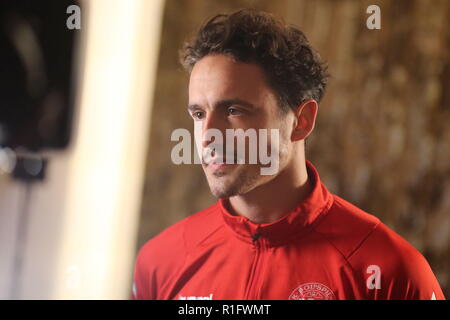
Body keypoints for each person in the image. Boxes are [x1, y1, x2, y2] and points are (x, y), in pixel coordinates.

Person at [131, 9, 445, 300]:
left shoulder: (389, 272)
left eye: (235, 110)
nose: (209, 135)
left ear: (301, 121)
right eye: (199, 114)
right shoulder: (160, 262)